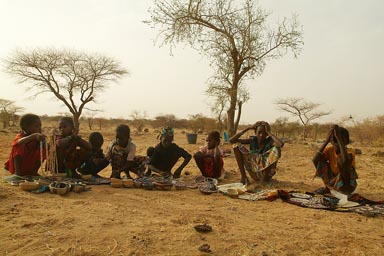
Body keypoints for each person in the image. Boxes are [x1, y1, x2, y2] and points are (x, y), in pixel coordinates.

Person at [312, 125, 358, 195]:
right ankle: (328, 187)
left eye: (338, 141)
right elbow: (315, 160)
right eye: (334, 140)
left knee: (342, 161)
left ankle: (343, 190)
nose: (335, 143)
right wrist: (327, 141)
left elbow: (345, 161)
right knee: (320, 161)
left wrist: (338, 138)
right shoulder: (330, 149)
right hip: (334, 180)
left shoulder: (350, 151)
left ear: (346, 141)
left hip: (347, 184)